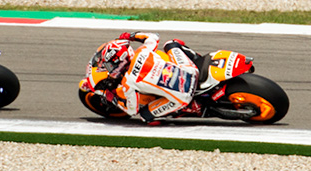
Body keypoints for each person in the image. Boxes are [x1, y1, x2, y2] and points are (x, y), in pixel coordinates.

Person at [78, 32, 212, 124]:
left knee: (145, 116)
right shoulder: (143, 51)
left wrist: (112, 98)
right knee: (172, 44)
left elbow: (132, 110)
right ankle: (199, 61)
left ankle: (187, 109)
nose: (109, 67)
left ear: (120, 62)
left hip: (184, 97)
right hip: (191, 70)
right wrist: (131, 36)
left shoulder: (128, 83)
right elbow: (153, 36)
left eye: (109, 65)